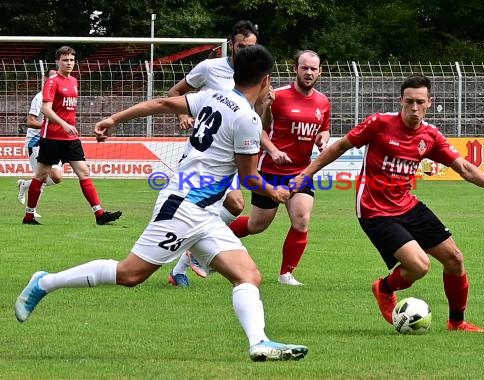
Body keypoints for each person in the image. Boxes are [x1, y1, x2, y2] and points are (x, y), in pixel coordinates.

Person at [15, 45, 308, 361]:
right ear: (265, 80)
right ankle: (45, 282)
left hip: (204, 211)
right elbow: (250, 178)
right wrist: (275, 192)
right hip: (185, 206)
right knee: (130, 274)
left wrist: (114, 118)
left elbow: (162, 102)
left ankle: (258, 342)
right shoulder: (247, 118)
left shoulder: (214, 96)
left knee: (248, 275)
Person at [291, 74, 484, 332]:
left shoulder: (430, 136)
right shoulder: (379, 123)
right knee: (419, 266)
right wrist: (307, 172)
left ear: (430, 102)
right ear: (400, 101)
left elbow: (462, 167)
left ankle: (457, 323)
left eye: (419, 102)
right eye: (408, 102)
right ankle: (384, 288)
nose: (413, 108)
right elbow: (341, 146)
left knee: (455, 259)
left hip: (407, 204)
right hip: (374, 209)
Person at [166, 20, 290, 286]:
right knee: (233, 203)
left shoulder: (258, 73)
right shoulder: (210, 68)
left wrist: (266, 107)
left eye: (251, 47)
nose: (246, 51)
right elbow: (176, 92)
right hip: (211, 153)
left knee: (231, 206)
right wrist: (182, 115)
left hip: (237, 154)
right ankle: (192, 252)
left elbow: (258, 124)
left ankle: (181, 267)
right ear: (231, 45)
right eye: (241, 46)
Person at [229, 50, 330, 286]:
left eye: (313, 69)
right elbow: (258, 128)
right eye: (304, 67)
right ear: (295, 69)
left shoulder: (323, 102)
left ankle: (286, 274)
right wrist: (273, 150)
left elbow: (324, 128)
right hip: (271, 169)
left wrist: (323, 138)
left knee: (302, 218)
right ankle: (211, 243)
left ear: (320, 72)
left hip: (301, 171)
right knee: (257, 225)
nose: (309, 72)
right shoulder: (278, 96)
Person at [21, 45, 122, 226]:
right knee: (41, 176)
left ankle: (99, 214)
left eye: (72, 60)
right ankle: (29, 215)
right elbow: (45, 109)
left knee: (84, 172)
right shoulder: (52, 82)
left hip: (70, 138)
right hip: (51, 137)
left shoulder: (74, 81)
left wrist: (69, 126)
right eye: (65, 60)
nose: (69, 63)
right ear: (58, 61)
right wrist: (63, 123)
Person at [17, 69, 63, 215]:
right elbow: (30, 122)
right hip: (36, 141)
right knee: (41, 176)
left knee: (56, 177)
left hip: (54, 141)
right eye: (53, 78)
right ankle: (31, 211)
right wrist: (53, 125)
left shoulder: (60, 97)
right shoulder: (40, 97)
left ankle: (24, 185)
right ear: (46, 80)